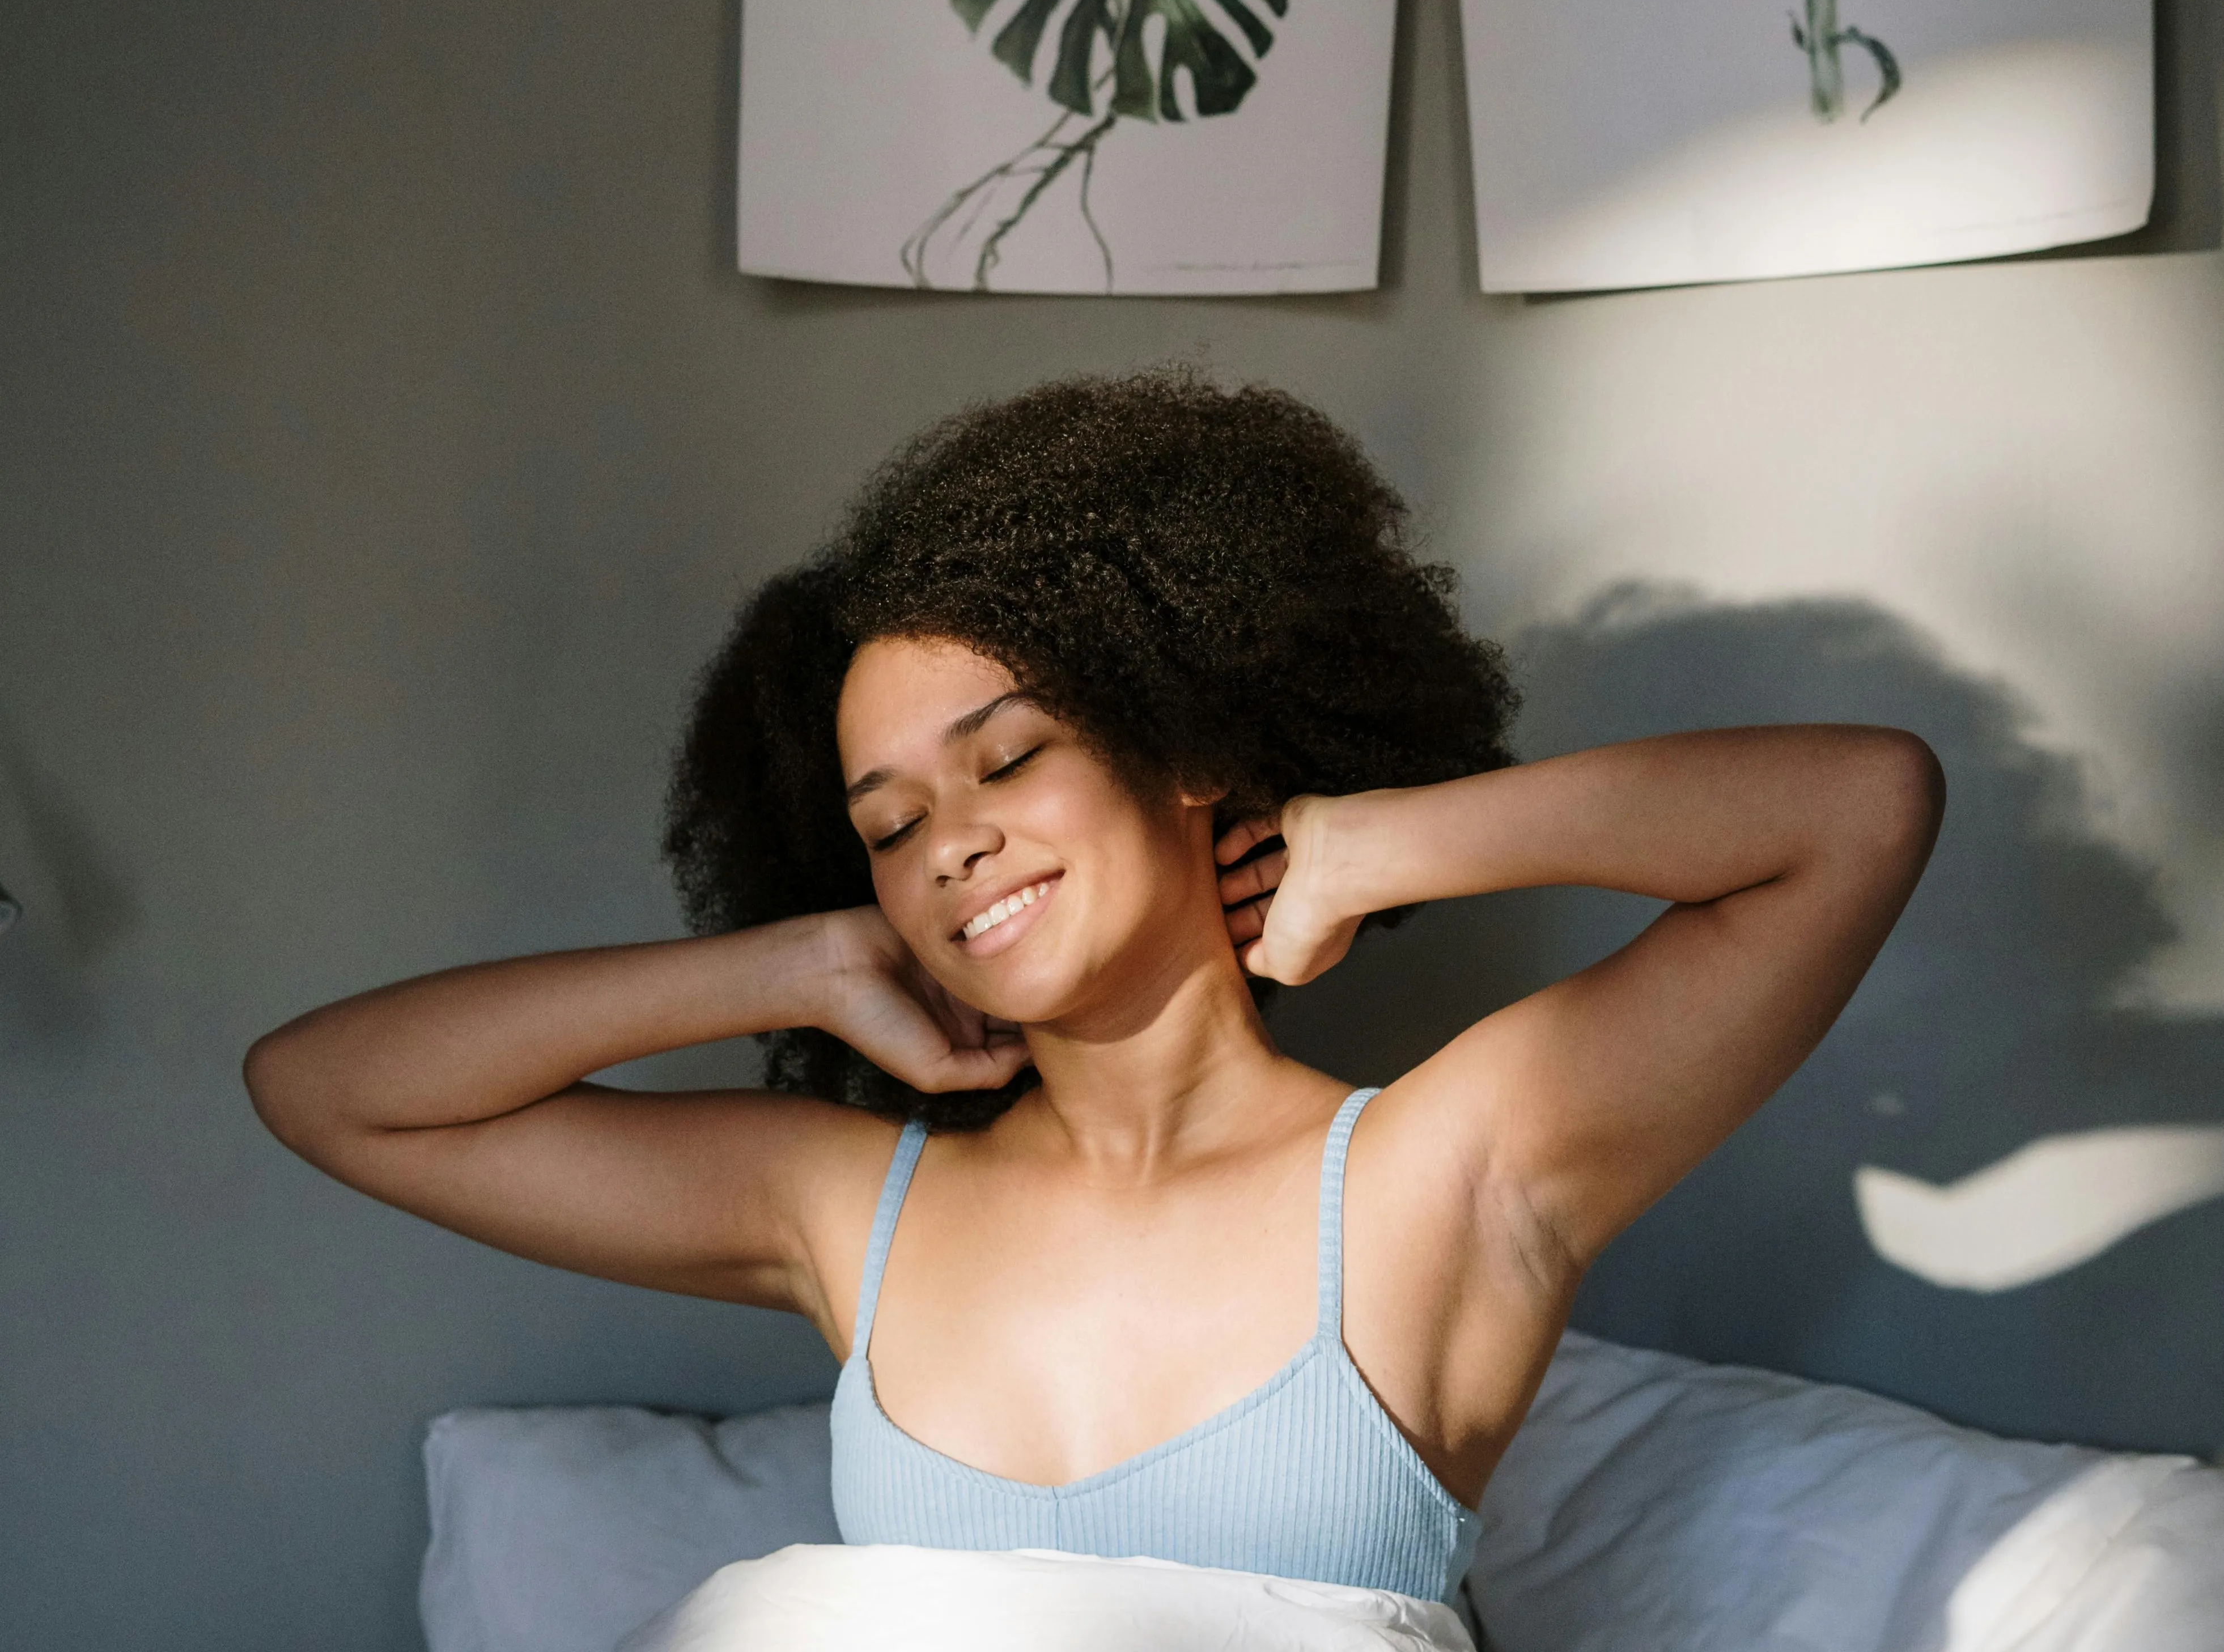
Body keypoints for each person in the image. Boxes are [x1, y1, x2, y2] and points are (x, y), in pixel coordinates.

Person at [245, 372, 1942, 1606]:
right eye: (890, 824)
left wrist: (1385, 845)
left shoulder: (1444, 1171)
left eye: (1007, 762)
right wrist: (793, 959)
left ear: (1182, 741)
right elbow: (330, 1088)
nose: (953, 847)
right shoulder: (851, 1210)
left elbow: (1852, 810)